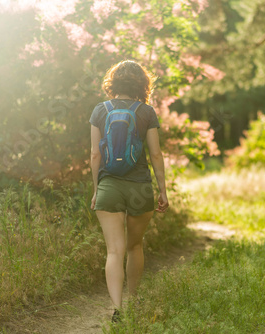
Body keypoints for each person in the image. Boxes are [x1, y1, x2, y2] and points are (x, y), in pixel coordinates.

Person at [89, 60, 169, 323]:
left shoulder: (100, 110)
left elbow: (94, 155)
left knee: (114, 250)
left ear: (113, 82)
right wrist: (163, 191)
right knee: (135, 246)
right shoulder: (146, 112)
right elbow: (155, 154)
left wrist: (96, 189)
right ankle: (134, 302)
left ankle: (117, 309)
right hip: (140, 188)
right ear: (141, 83)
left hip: (108, 187)